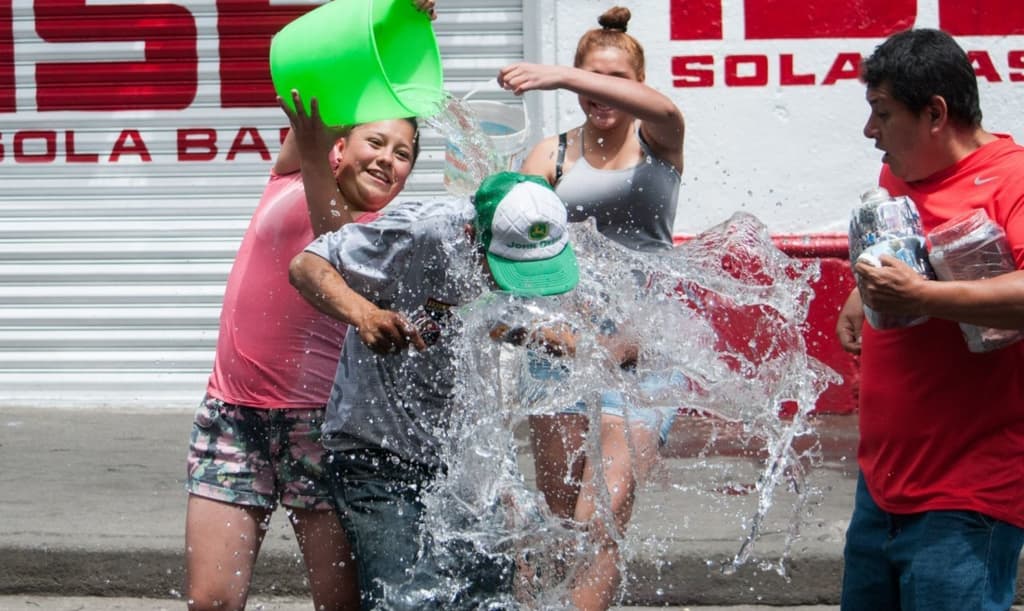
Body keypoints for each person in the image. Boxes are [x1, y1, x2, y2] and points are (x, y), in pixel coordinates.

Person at [182, 77, 426, 611]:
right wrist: (390, 18)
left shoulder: (386, 229)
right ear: (342, 142)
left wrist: (318, 159)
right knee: (211, 602)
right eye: (377, 142)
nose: (388, 159)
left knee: (339, 604)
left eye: (403, 153)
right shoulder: (289, 171)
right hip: (233, 414)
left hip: (322, 428)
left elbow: (330, 244)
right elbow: (325, 72)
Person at [288, 169, 580, 610]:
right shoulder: (416, 232)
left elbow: (483, 311)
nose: (514, 283)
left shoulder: (533, 236)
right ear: (472, 235)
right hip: (378, 451)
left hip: (465, 455)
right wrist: (365, 314)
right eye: (507, 269)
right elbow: (306, 266)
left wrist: (537, 333)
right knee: (408, 602)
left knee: (487, 599)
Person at [497, 5, 685, 609]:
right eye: (588, 79)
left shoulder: (659, 142)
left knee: (601, 518)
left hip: (641, 364)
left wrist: (563, 75)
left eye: (614, 81)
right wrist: (538, 332)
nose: (598, 94)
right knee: (564, 525)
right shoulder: (548, 157)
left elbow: (667, 109)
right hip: (562, 359)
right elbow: (515, 253)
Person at [835, 28, 1024, 611]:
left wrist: (922, 298)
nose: (871, 133)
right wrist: (863, 292)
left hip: (967, 498)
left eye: (882, 114)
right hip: (882, 487)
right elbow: (903, 249)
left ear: (936, 113)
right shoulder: (902, 169)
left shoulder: (1013, 180)